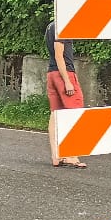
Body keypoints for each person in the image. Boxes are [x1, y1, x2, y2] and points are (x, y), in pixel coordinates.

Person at [46, 19, 86, 168]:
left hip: (52, 73)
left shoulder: (50, 25)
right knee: (74, 114)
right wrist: (67, 81)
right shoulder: (61, 27)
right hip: (64, 73)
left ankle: (56, 156)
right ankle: (71, 156)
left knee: (55, 115)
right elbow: (59, 55)